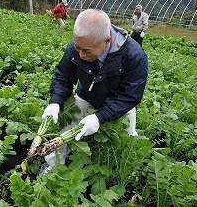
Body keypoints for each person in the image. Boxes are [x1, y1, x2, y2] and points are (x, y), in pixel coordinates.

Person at [40, 9, 148, 175]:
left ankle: (127, 172)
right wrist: (55, 101)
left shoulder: (134, 55)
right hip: (87, 95)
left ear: (107, 42)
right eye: (78, 48)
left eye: (87, 51)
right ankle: (52, 166)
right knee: (65, 128)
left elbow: (129, 96)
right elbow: (63, 76)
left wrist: (100, 117)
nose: (81, 54)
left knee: (129, 137)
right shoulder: (76, 48)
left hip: (118, 101)